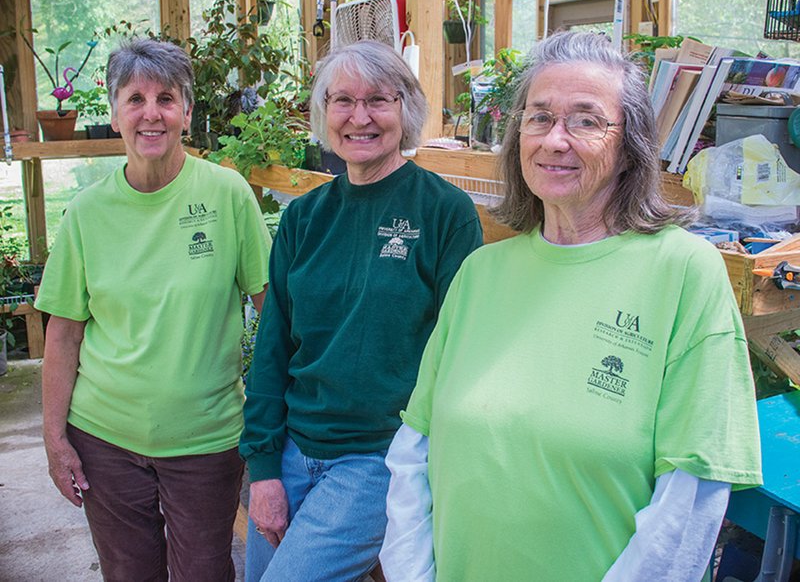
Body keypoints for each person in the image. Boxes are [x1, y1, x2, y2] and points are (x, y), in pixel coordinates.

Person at [380, 31, 763, 582]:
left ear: (630, 144)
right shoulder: (480, 275)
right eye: (538, 118)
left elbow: (691, 499)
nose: (555, 140)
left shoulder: (683, 273)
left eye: (585, 120)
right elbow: (415, 451)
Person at [239, 40, 483, 582]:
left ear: (407, 110)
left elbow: (461, 353)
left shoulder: (444, 213)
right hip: (294, 449)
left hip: (377, 457)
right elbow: (273, 346)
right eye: (342, 100)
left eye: (379, 100)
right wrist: (263, 469)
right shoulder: (304, 218)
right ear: (324, 114)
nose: (360, 117)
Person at [36, 38, 271, 581]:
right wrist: (55, 439)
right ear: (115, 112)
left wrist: (273, 423)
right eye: (135, 97)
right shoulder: (87, 213)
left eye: (166, 98)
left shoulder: (227, 196)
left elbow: (274, 312)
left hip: (206, 441)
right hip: (105, 441)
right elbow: (64, 334)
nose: (151, 113)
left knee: (204, 572)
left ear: (187, 112)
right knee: (129, 574)